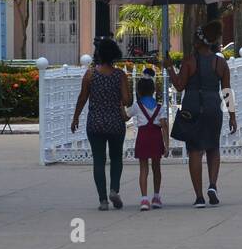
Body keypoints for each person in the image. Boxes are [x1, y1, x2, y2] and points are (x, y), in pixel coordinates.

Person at [167, 19, 236, 208]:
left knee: (195, 151)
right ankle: (212, 185)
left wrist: (169, 67)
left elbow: (180, 86)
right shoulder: (220, 63)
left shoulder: (190, 61)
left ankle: (199, 197)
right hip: (213, 107)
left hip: (192, 108)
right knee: (213, 147)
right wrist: (232, 115)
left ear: (198, 42)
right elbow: (227, 91)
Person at [71, 37, 132, 211]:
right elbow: (127, 101)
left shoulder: (90, 74)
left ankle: (103, 200)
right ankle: (114, 189)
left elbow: (82, 98)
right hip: (115, 123)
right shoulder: (120, 75)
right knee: (116, 158)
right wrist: (123, 97)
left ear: (98, 54)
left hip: (95, 123)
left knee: (98, 160)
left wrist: (75, 117)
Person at [131, 69, 169, 211]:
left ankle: (144, 199)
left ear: (139, 91)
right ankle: (157, 197)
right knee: (156, 167)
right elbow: (164, 126)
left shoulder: (137, 106)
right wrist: (167, 145)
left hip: (143, 136)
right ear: (153, 90)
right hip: (155, 136)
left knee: (143, 168)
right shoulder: (160, 107)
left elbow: (126, 116)